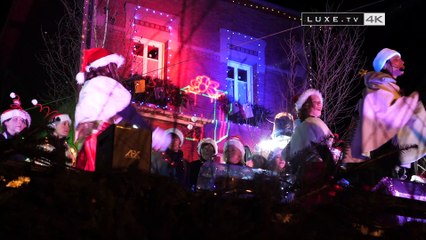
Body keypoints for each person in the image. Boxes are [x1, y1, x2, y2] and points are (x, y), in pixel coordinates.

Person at [73, 48, 171, 171]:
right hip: (103, 141)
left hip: (89, 142)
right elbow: (129, 113)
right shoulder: (105, 84)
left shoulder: (89, 86)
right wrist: (153, 133)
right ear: (106, 66)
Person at [348, 48, 426, 184]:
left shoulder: (391, 89)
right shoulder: (377, 86)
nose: (402, 61)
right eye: (396, 59)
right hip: (380, 153)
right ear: (385, 64)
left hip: (390, 154)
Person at [281, 89, 335, 197]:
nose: (320, 104)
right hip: (314, 173)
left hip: (307, 173)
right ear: (306, 105)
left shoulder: (305, 125)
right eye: (316, 102)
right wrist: (333, 171)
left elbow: (287, 153)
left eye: (321, 102)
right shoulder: (311, 124)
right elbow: (323, 149)